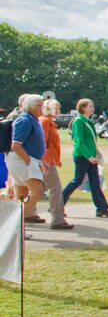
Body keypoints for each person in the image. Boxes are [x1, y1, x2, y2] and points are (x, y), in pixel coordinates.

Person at [63, 98, 108, 218]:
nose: (92, 108)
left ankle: (102, 208)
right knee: (77, 180)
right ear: (82, 108)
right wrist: (88, 156)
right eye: (89, 106)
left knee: (95, 182)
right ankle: (57, 204)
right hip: (82, 156)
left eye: (92, 106)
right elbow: (79, 141)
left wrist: (93, 155)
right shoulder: (79, 122)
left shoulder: (88, 121)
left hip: (90, 156)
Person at [6, 94, 48, 223]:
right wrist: (29, 162)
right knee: (37, 191)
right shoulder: (24, 120)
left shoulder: (34, 119)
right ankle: (16, 221)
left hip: (25, 160)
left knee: (21, 195)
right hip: (22, 160)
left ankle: (18, 228)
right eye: (40, 105)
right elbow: (16, 145)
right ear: (31, 107)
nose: (43, 108)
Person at [38, 98, 73, 229]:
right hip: (47, 160)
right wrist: (45, 160)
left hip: (48, 159)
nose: (58, 111)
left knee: (38, 190)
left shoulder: (48, 122)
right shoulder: (45, 122)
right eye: (55, 108)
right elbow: (42, 143)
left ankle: (28, 214)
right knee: (56, 189)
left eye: (58, 108)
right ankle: (58, 219)